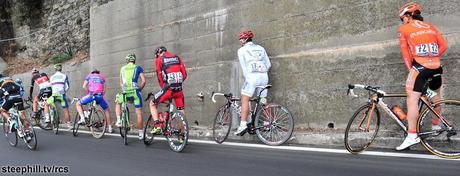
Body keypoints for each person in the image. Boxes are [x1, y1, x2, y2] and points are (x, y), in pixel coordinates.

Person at [396, 2, 448, 150]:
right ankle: (436, 126)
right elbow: (443, 46)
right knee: (434, 96)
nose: (403, 21)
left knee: (412, 98)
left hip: (420, 67)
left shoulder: (404, 29)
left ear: (408, 15)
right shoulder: (430, 27)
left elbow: (406, 53)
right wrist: (432, 57)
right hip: (436, 67)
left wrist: (411, 68)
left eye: (403, 18)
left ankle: (412, 135)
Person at [235, 30, 271, 135]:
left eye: (241, 38)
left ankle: (243, 125)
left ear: (246, 39)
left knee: (245, 99)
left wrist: (249, 78)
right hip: (264, 76)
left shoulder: (241, 50)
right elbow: (268, 64)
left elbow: (244, 68)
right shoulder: (261, 48)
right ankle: (267, 123)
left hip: (252, 77)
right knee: (263, 101)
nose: (240, 40)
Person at [149, 46, 187, 134]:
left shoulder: (159, 59)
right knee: (181, 110)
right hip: (179, 90)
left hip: (168, 89)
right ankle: (183, 134)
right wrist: (177, 83)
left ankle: (157, 126)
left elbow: (159, 77)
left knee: (152, 103)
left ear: (158, 53)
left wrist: (164, 88)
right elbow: (184, 74)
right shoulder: (177, 57)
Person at [115, 54, 146, 139]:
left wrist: (124, 89)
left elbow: (121, 83)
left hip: (125, 92)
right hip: (135, 92)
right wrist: (139, 89)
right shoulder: (138, 67)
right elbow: (143, 81)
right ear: (134, 60)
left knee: (118, 102)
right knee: (139, 113)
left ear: (127, 61)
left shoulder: (122, 68)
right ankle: (141, 133)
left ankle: (118, 120)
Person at [75, 69, 113, 133]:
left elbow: (84, 86)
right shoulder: (102, 76)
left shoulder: (89, 76)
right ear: (98, 73)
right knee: (106, 109)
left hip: (91, 95)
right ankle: (110, 128)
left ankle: (82, 118)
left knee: (78, 104)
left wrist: (88, 93)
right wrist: (101, 95)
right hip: (100, 96)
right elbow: (105, 89)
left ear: (92, 73)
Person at [47, 64, 72, 128]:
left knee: (46, 103)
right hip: (61, 95)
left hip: (54, 95)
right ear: (61, 69)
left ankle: (48, 117)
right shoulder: (64, 76)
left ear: (55, 69)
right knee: (66, 110)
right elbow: (67, 86)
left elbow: (50, 86)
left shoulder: (52, 77)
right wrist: (63, 91)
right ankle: (69, 124)